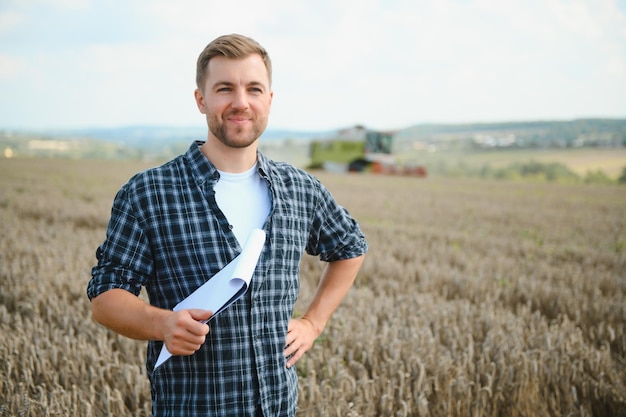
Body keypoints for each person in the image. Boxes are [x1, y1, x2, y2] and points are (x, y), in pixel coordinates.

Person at [87, 33, 367, 417]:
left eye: (254, 88)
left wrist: (313, 323)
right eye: (224, 89)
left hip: (277, 408)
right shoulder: (148, 193)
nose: (241, 102)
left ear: (269, 100)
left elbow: (350, 247)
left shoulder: (300, 189)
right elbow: (106, 297)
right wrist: (163, 323)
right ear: (201, 99)